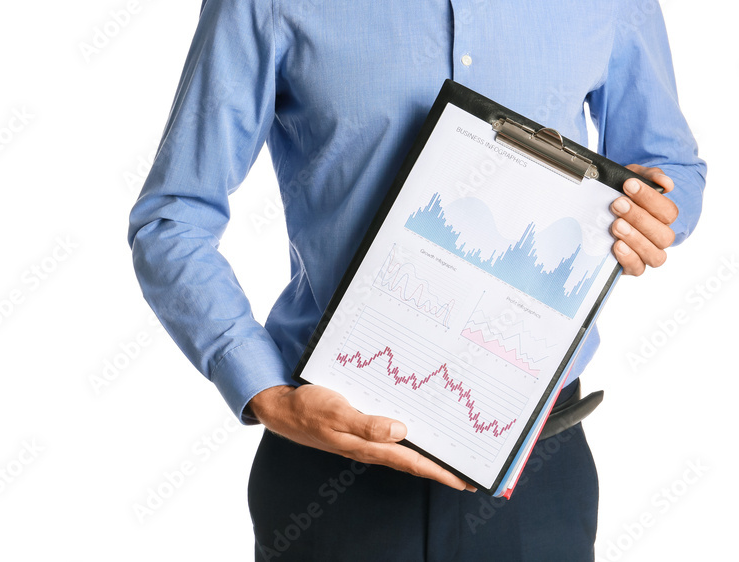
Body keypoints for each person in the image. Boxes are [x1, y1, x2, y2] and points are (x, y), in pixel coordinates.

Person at [127, 0, 706, 559]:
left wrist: (654, 214)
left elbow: (670, 167)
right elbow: (172, 220)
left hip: (536, 478)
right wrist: (266, 394)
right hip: (330, 473)